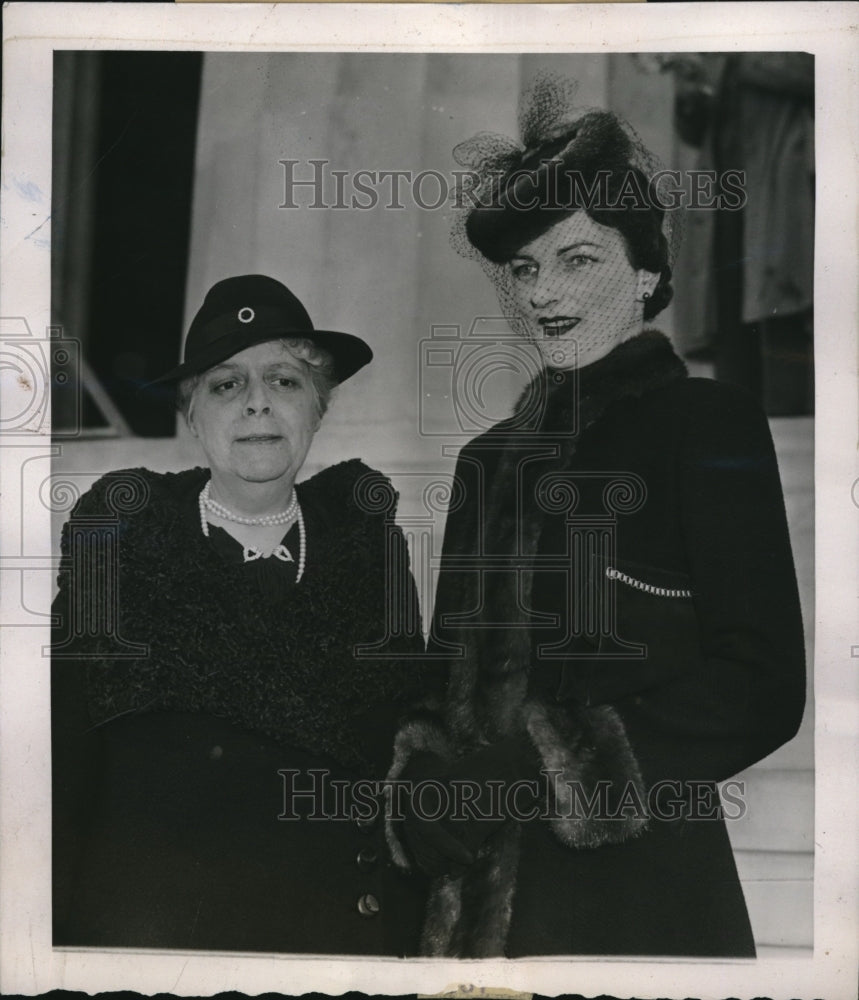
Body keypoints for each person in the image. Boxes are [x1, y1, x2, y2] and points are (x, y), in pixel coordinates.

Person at [385, 85, 806, 958]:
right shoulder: (487, 460)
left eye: (577, 259)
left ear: (646, 270)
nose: (544, 293)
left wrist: (548, 765)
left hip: (637, 896)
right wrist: (420, 776)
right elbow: (442, 680)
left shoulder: (704, 425)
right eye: (526, 269)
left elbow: (759, 684)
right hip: (473, 906)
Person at [51, 274, 427, 955]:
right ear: (191, 412)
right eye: (225, 385)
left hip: (328, 945)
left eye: (283, 381)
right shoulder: (120, 536)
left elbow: (400, 763)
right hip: (158, 948)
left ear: (319, 407)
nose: (257, 405)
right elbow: (61, 764)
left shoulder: (367, 544)